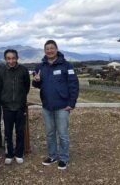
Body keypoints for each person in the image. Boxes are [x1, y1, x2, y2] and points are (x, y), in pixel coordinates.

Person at [32, 40, 79, 170]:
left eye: (52, 48)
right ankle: (52, 156)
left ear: (57, 49)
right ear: (44, 51)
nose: (50, 51)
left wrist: (71, 103)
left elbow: (74, 85)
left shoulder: (66, 65)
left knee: (63, 133)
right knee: (50, 133)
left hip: (63, 106)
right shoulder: (41, 66)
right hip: (47, 106)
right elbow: (36, 84)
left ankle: (64, 158)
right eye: (47, 49)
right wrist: (36, 81)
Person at [0, 49, 30, 165]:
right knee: (7, 131)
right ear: (5, 59)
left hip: (20, 106)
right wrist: (4, 99)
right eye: (8, 58)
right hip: (7, 106)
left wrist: (21, 98)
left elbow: (26, 87)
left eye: (13, 58)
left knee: (20, 131)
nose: (11, 61)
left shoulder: (23, 70)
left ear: (17, 58)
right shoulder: (1, 71)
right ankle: (9, 153)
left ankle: (19, 153)